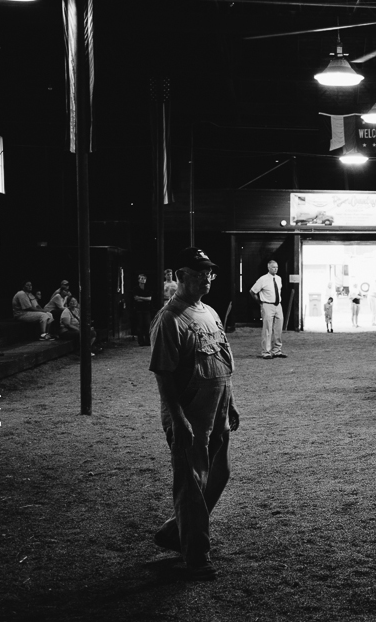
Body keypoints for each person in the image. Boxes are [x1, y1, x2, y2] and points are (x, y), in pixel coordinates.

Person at [150, 247, 240, 581]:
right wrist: (178, 417)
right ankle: (196, 554)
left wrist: (229, 403)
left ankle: (177, 530)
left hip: (216, 407)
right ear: (180, 276)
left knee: (220, 473)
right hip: (190, 412)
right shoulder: (170, 318)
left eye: (210, 272)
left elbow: (220, 361)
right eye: (200, 272)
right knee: (191, 481)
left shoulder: (209, 312)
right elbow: (163, 373)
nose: (207, 277)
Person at [249, 260, 286, 359]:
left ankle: (277, 350)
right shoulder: (263, 279)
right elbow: (252, 291)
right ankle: (266, 351)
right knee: (267, 329)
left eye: (277, 267)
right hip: (267, 304)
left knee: (278, 328)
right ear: (269, 268)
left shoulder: (278, 278)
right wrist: (260, 303)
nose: (276, 269)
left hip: (278, 305)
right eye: (273, 267)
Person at [132, 274, 154, 346]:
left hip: (146, 309)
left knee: (148, 325)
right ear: (138, 280)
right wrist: (145, 298)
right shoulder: (136, 289)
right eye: (141, 278)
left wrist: (140, 298)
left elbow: (149, 299)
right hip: (138, 309)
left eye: (144, 278)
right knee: (139, 326)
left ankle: (148, 341)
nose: (143, 280)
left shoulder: (148, 288)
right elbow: (135, 298)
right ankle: (141, 341)